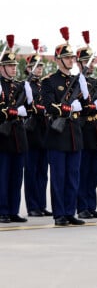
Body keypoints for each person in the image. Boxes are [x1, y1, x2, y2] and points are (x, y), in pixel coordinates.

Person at [42, 27, 90, 226]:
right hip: (58, 135)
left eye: (72, 58)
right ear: (58, 60)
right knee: (59, 177)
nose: (72, 60)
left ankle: (70, 212)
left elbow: (86, 108)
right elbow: (49, 106)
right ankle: (59, 214)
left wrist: (86, 98)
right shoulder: (49, 82)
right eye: (68, 58)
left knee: (73, 177)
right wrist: (69, 109)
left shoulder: (78, 81)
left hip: (74, 135)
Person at [75, 33, 97, 220]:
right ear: (79, 63)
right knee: (83, 170)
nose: (90, 65)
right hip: (83, 129)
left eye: (91, 61)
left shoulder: (95, 81)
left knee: (94, 172)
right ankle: (81, 206)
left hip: (96, 130)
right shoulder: (74, 82)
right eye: (86, 61)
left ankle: (91, 204)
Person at [0, 35, 30, 223]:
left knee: (16, 176)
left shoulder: (20, 85)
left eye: (14, 66)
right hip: (3, 137)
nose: (13, 68)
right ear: (2, 68)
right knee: (3, 176)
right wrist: (9, 112)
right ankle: (2, 210)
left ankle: (13, 209)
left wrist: (23, 109)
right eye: (10, 66)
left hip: (18, 136)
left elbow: (29, 107)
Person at [23, 40, 52, 218]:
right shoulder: (25, 85)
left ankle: (41, 204)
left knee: (42, 172)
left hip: (44, 131)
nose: (39, 68)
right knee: (32, 172)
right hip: (32, 131)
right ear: (28, 68)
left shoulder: (43, 85)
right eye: (35, 66)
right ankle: (33, 206)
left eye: (40, 65)